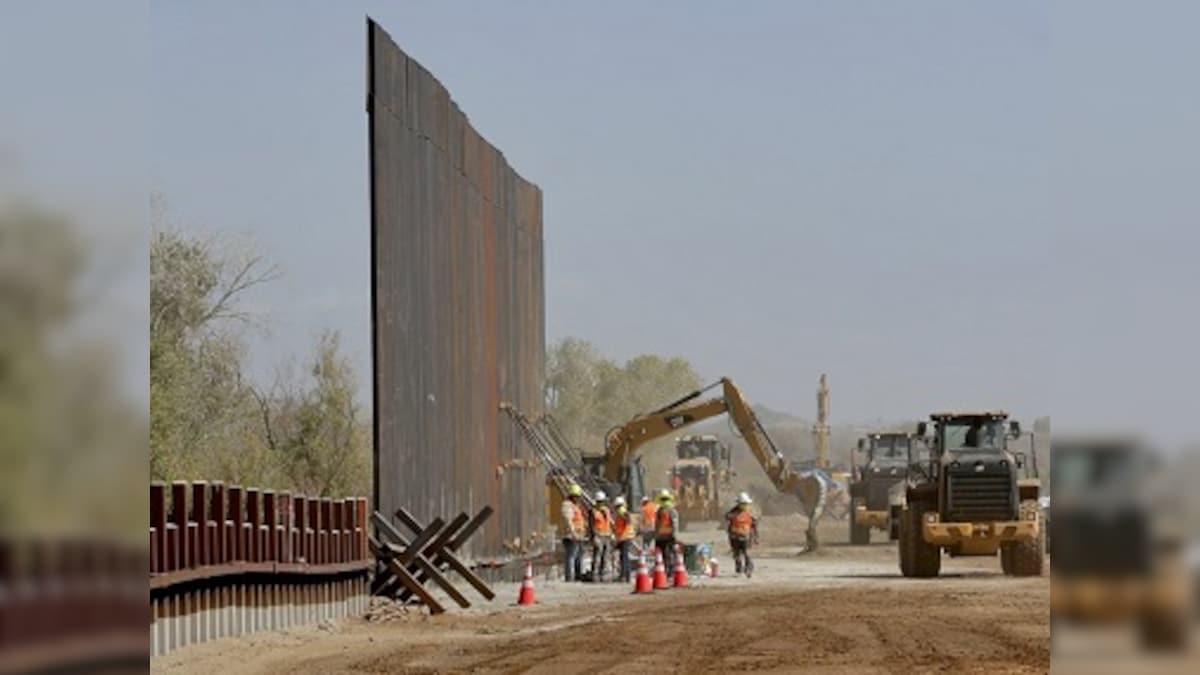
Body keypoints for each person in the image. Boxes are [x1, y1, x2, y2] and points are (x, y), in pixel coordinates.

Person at [725, 492, 760, 577]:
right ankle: (739, 570)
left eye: (745, 504)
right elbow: (727, 518)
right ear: (739, 504)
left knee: (746, 553)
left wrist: (756, 537)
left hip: (746, 537)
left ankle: (748, 569)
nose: (744, 505)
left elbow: (754, 526)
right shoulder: (733, 512)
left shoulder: (750, 512)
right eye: (742, 504)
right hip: (734, 537)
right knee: (736, 554)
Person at [561, 484, 587, 582]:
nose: (578, 499)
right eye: (576, 496)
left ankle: (577, 575)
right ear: (572, 496)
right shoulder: (567, 505)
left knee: (578, 556)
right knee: (571, 556)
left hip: (579, 535)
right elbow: (569, 520)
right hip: (571, 535)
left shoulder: (575, 506)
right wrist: (573, 533)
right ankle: (569, 577)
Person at [590, 491, 614, 582]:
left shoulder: (606, 510)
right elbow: (591, 525)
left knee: (605, 556)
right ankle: (595, 575)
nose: (601, 504)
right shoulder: (593, 511)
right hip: (599, 535)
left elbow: (610, 522)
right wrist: (594, 537)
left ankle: (603, 574)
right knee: (597, 556)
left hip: (607, 535)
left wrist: (612, 533)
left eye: (602, 502)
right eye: (599, 502)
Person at [654, 488, 680, 572]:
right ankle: (669, 570)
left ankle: (667, 570)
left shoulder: (660, 511)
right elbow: (675, 524)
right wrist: (675, 535)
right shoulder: (671, 510)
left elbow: (657, 524)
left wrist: (656, 534)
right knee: (669, 554)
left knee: (664, 554)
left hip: (662, 536)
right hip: (668, 535)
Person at [612, 496, 637, 583]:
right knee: (623, 557)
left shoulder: (624, 513)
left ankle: (624, 576)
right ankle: (626, 575)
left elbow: (628, 521)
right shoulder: (619, 515)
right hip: (622, 538)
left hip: (625, 537)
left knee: (624, 557)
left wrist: (623, 515)